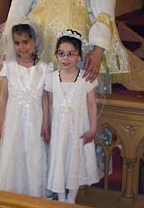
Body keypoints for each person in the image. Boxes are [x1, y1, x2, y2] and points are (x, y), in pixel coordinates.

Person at [0, 20, 51, 197]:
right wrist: (1, 121)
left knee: (34, 154)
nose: (21, 47)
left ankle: (33, 193)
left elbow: (45, 99)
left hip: (36, 119)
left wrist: (46, 123)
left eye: (25, 42)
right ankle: (10, 192)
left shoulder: (44, 68)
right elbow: (3, 97)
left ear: (35, 41)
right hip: (13, 120)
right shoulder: (8, 67)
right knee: (13, 153)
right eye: (17, 43)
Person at [45, 29, 100, 204]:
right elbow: (48, 103)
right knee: (60, 158)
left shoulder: (86, 78)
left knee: (75, 159)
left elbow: (92, 104)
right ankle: (61, 196)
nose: (65, 58)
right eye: (61, 54)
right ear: (56, 55)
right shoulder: (51, 78)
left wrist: (93, 128)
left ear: (79, 56)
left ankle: (71, 197)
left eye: (71, 54)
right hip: (59, 127)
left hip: (78, 127)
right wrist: (46, 124)